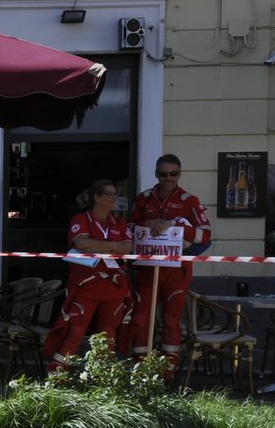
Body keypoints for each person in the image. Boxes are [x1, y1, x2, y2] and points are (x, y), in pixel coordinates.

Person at [42, 178, 134, 371]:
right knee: (75, 331)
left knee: (108, 334)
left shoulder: (120, 223)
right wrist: (115, 247)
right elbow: (82, 244)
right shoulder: (81, 219)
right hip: (87, 285)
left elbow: (129, 247)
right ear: (96, 197)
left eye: (115, 194)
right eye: (109, 194)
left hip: (114, 288)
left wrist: (100, 245)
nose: (114, 198)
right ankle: (57, 376)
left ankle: (103, 379)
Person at [130, 154, 212, 367]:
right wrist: (148, 222)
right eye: (164, 174)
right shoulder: (143, 198)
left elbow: (205, 236)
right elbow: (126, 229)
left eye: (173, 174)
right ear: (157, 174)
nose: (169, 178)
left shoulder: (189, 200)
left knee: (171, 318)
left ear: (179, 174)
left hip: (177, 270)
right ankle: (141, 366)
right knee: (140, 318)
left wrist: (175, 225)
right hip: (147, 269)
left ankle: (169, 369)